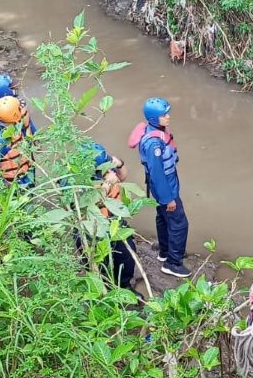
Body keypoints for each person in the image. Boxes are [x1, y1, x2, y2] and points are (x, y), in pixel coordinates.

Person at [128, 98, 189, 278]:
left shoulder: (155, 131)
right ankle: (173, 263)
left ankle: (165, 252)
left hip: (163, 184)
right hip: (165, 186)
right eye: (164, 115)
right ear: (155, 119)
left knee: (163, 217)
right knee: (179, 223)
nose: (168, 117)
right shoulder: (154, 143)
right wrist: (168, 198)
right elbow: (157, 173)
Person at [72, 141, 138, 290]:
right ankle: (105, 295)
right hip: (92, 231)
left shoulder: (105, 165)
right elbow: (90, 202)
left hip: (115, 224)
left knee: (126, 258)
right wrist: (107, 184)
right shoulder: (76, 181)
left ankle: (124, 287)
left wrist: (119, 164)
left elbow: (122, 176)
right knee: (99, 266)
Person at [0, 96, 34, 188]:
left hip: (24, 171)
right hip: (12, 182)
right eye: (20, 108)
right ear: (15, 115)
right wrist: (0, 187)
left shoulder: (17, 126)